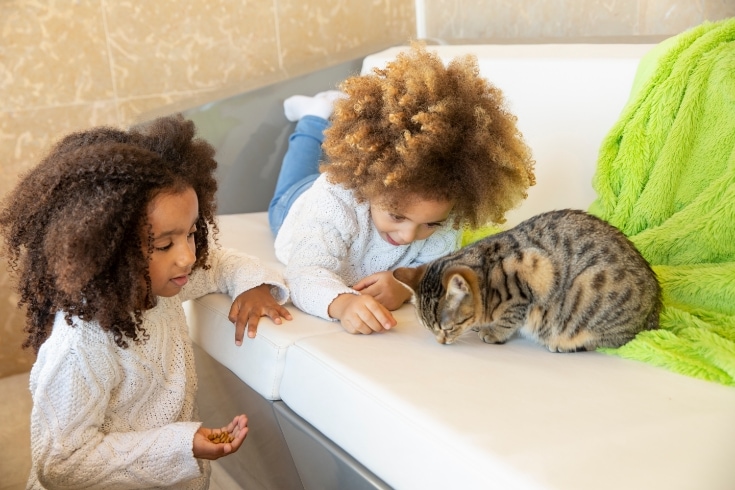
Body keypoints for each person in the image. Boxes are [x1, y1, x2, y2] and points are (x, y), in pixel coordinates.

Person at [0, 114, 292, 489]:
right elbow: (61, 464)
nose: (187, 256)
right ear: (111, 250)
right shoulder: (79, 348)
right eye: (165, 244)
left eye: (191, 233)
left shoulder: (158, 282)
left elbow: (218, 262)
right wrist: (182, 444)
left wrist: (252, 285)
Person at [269, 43, 536, 335]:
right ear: (368, 188)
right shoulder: (332, 202)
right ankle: (314, 114)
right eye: (397, 216)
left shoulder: (447, 218)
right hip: (299, 204)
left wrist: (403, 287)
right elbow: (303, 273)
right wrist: (343, 303)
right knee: (290, 186)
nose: (409, 236)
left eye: (431, 223)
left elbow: (433, 270)